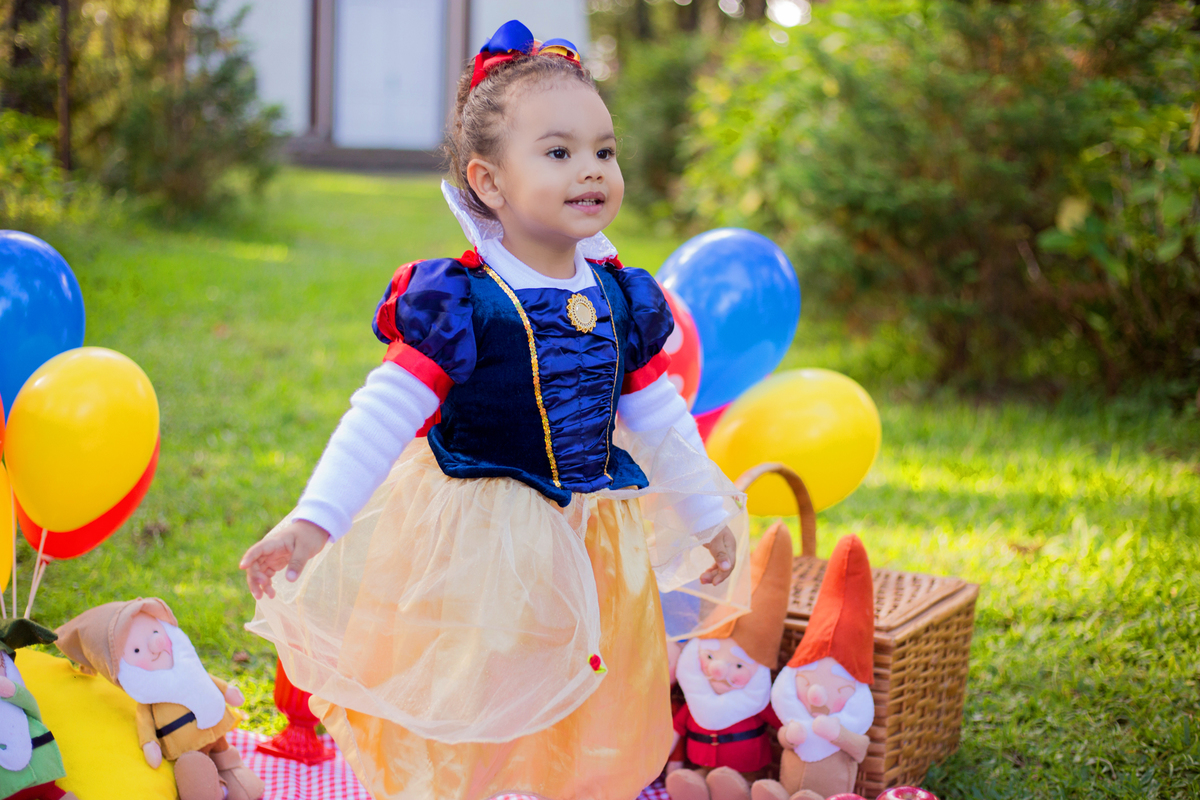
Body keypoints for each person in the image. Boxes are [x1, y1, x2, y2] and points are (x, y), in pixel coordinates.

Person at [239, 19, 749, 800]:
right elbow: (380, 414)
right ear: (488, 181)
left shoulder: (622, 298)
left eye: (603, 151)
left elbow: (663, 422)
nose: (591, 171)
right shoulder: (461, 300)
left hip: (593, 543)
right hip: (481, 543)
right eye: (558, 152)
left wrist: (709, 514)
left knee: (582, 703)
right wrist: (314, 519)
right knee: (471, 700)